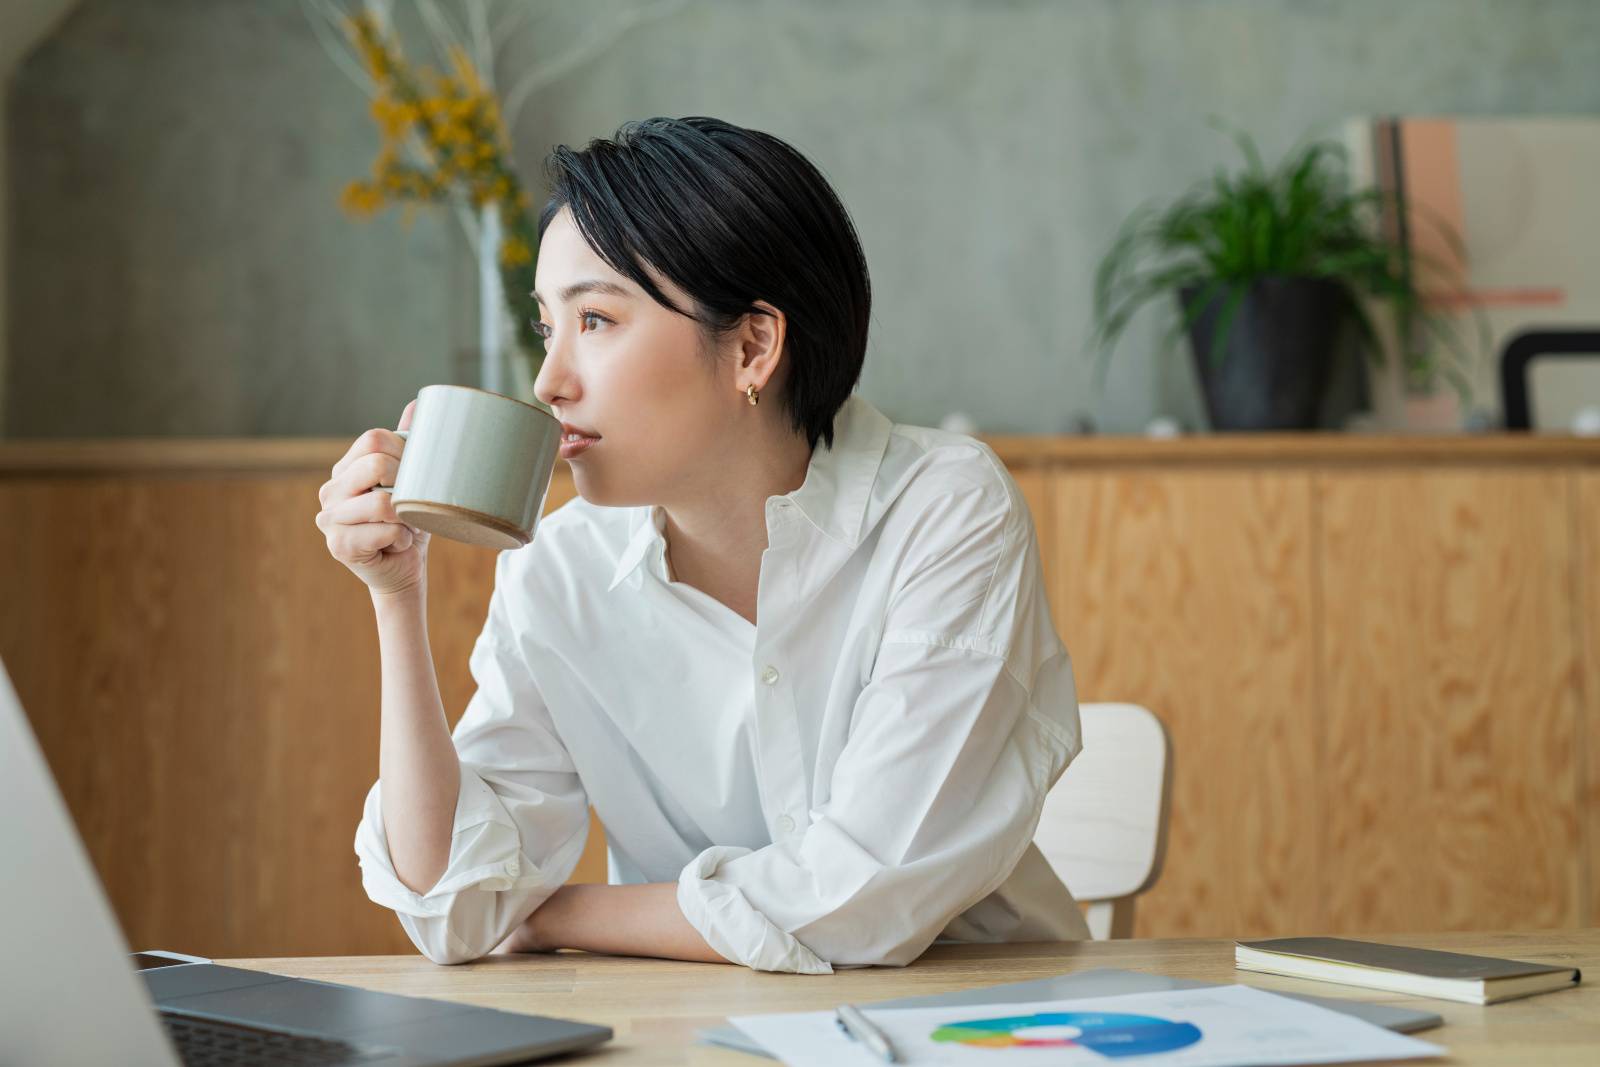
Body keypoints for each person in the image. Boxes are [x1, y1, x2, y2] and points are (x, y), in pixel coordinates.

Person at [314, 116, 1090, 973]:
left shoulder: (945, 511)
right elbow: (455, 911)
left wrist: (555, 912)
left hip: (978, 1021)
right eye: (547, 328)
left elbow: (864, 897)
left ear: (752, 346)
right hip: (692, 1024)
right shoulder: (557, 569)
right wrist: (396, 596)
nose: (548, 381)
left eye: (597, 321)